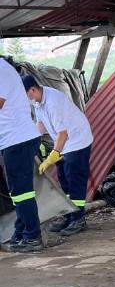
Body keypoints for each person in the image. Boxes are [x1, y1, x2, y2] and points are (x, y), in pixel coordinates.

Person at [23, 76, 93, 236]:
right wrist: (30, 137)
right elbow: (41, 124)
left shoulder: (53, 102)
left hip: (77, 140)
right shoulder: (37, 102)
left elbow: (63, 133)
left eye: (26, 94)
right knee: (63, 179)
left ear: (32, 90)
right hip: (64, 142)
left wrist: (53, 156)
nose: (25, 98)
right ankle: (69, 215)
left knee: (74, 179)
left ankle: (79, 219)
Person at [0, 57, 43, 253]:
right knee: (18, 192)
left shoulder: (1, 71)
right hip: (15, 140)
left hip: (18, 140)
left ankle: (33, 236)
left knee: (22, 192)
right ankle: (22, 232)